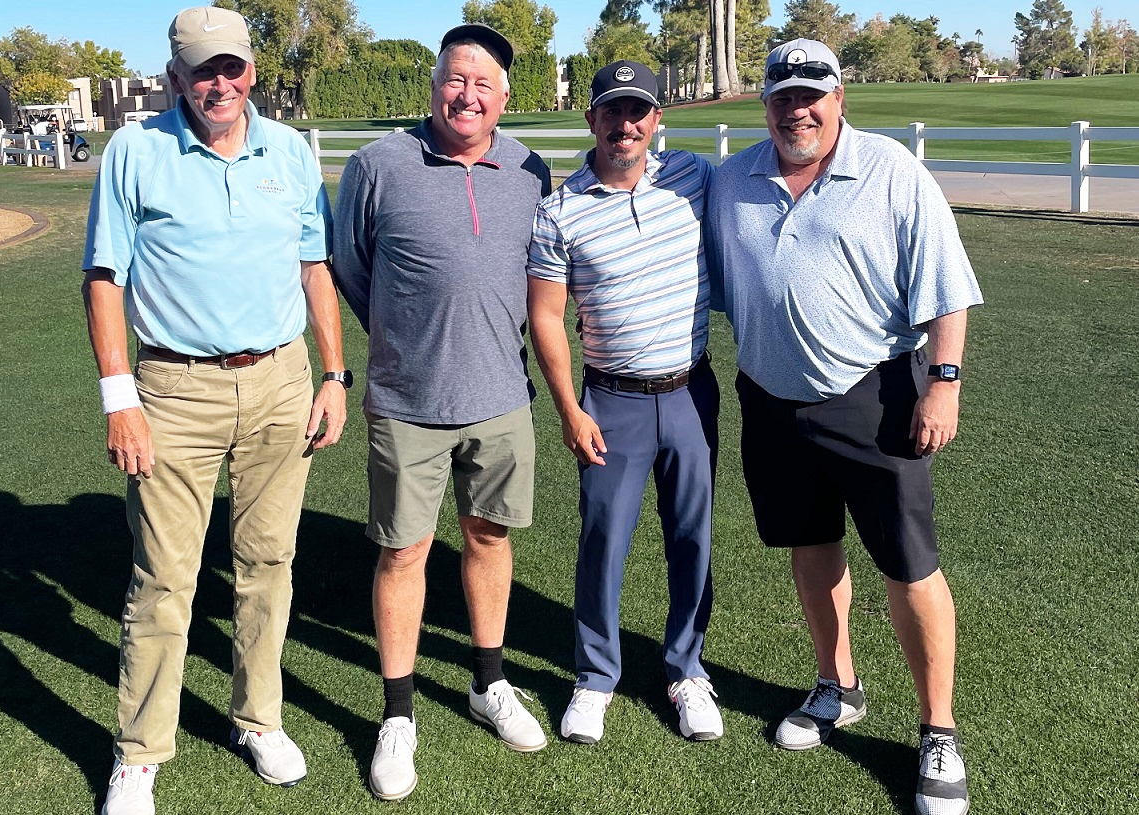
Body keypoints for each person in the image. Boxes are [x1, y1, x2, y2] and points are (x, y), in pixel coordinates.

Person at [706, 38, 983, 815]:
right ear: (764, 103)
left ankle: (938, 729)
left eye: (812, 93)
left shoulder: (891, 171)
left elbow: (946, 289)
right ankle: (837, 684)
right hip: (769, 397)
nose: (798, 107)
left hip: (877, 396)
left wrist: (944, 384)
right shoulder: (734, 179)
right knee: (812, 545)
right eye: (783, 95)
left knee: (909, 564)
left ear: (839, 97)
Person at [81, 8, 347, 814]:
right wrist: (119, 396)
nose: (219, 83)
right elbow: (105, 277)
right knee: (164, 578)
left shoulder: (290, 152)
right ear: (175, 78)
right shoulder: (137, 151)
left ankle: (258, 718)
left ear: (252, 72)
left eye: (231, 67)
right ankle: (140, 752)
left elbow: (314, 267)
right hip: (174, 389)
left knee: (268, 565)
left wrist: (334, 373)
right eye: (202, 71)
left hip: (280, 382)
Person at [332, 23, 552, 803]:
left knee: (489, 538)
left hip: (503, 399)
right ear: (434, 87)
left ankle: (488, 682)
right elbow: (349, 268)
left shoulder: (531, 168)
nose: (467, 95)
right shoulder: (377, 165)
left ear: (504, 98)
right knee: (403, 553)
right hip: (408, 403)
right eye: (456, 80)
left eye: (483, 84)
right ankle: (398, 713)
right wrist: (402, 343)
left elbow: (543, 277)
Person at [526, 61, 722, 745]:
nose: (627, 124)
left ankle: (687, 669)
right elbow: (546, 317)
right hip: (611, 400)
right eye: (613, 111)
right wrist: (569, 410)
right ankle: (595, 675)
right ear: (592, 121)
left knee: (691, 536)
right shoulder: (559, 208)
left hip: (692, 391)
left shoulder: (693, 178)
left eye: (639, 111)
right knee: (603, 540)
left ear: (657, 121)